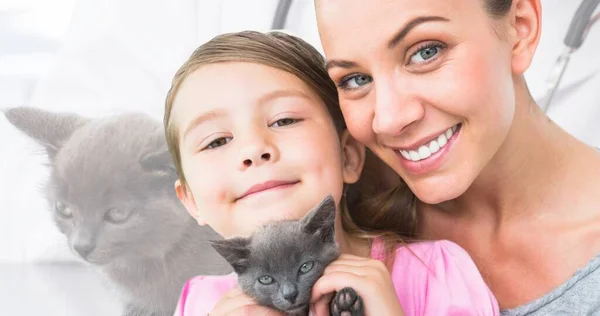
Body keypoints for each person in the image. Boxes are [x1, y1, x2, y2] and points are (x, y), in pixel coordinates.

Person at [163, 30, 499, 315]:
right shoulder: (199, 304)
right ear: (190, 201)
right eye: (216, 140)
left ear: (349, 156)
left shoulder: (436, 274)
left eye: (283, 120)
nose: (253, 150)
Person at [314, 0, 600, 314]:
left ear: (520, 27)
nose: (388, 119)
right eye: (356, 79)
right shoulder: (344, 218)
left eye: (426, 52)